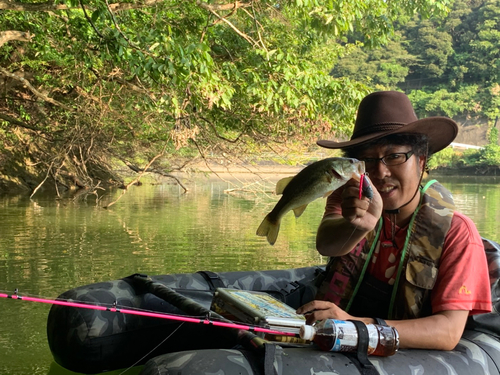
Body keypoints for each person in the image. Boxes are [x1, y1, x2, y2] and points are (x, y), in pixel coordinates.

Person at [296, 91, 492, 351]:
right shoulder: (348, 199)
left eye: (395, 156)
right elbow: (327, 244)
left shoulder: (458, 232)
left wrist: (353, 324)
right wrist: (357, 226)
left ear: (421, 161)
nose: (380, 172)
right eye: (367, 160)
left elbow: (448, 332)